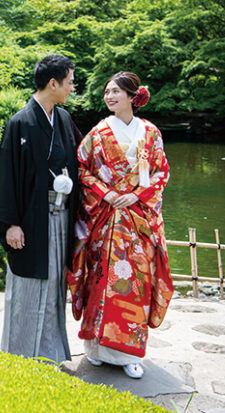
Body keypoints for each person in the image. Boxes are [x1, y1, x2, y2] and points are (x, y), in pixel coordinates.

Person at [67, 71, 173, 379]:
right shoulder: (99, 133)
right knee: (101, 279)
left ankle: (130, 353)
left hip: (137, 219)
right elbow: (82, 168)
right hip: (105, 218)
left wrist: (137, 195)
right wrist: (108, 193)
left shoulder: (149, 133)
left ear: (132, 96)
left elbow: (160, 172)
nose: (109, 97)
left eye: (116, 92)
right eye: (107, 92)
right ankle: (96, 349)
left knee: (135, 283)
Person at [0, 54, 80, 364]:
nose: (72, 86)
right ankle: (21, 355)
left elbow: (82, 163)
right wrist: (10, 224)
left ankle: (49, 354)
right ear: (52, 83)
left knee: (55, 285)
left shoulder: (65, 119)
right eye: (69, 81)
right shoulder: (21, 122)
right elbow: (7, 176)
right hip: (31, 218)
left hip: (60, 216)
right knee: (29, 287)